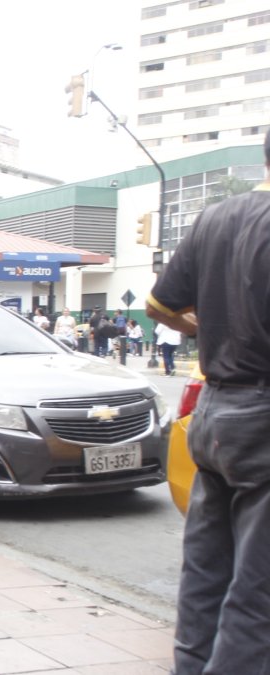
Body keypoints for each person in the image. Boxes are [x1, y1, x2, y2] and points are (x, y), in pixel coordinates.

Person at [145, 129, 270, 675]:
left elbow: (158, 305)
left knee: (205, 572)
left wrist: (209, 331)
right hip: (263, 416)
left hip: (215, 410)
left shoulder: (217, 217)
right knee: (258, 594)